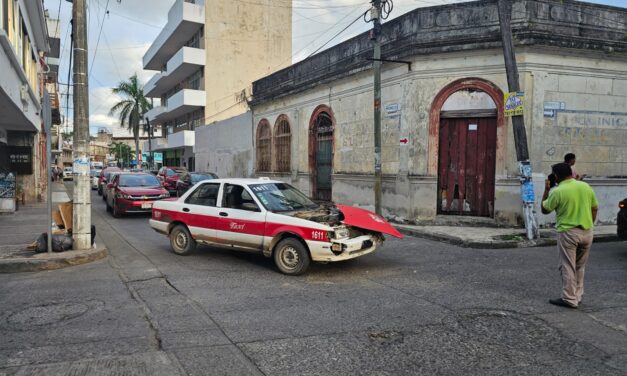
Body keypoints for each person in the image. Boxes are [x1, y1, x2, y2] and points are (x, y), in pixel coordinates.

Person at [541, 163, 598, 309]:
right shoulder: (585, 186)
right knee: (580, 266)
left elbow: (545, 209)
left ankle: (569, 298)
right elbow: (594, 207)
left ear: (556, 176)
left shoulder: (557, 191)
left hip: (568, 232)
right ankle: (577, 296)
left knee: (567, 266)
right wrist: (590, 223)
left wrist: (546, 190)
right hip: (587, 231)